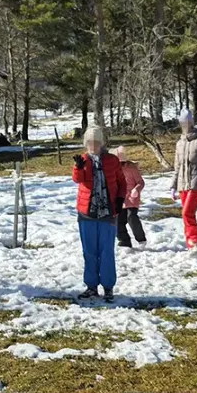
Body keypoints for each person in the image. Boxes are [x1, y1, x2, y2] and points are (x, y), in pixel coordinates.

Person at [72, 126, 127, 302]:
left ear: (102, 143)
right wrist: (78, 167)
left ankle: (108, 287)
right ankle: (91, 286)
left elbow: (122, 182)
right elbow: (77, 180)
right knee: (89, 252)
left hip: (108, 214)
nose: (93, 146)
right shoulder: (82, 159)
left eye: (96, 142)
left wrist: (119, 199)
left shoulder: (112, 160)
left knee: (106, 252)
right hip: (86, 214)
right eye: (89, 142)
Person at [170, 109, 197, 250]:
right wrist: (173, 185)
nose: (185, 124)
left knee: (186, 213)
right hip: (183, 184)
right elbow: (177, 167)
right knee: (186, 217)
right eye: (182, 122)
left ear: (192, 122)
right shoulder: (179, 143)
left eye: (187, 121)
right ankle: (191, 247)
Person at [114, 146, 147, 249]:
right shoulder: (112, 171)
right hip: (119, 198)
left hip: (132, 197)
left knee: (131, 217)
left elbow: (140, 182)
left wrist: (136, 189)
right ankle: (124, 241)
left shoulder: (131, 169)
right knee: (118, 221)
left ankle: (141, 239)